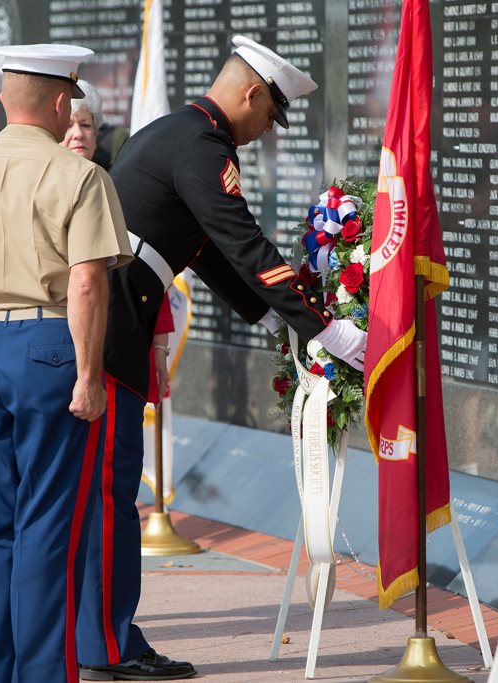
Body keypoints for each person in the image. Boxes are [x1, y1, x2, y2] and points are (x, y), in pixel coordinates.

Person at [79, 35, 366, 680]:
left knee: (107, 489)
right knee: (110, 491)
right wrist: (332, 333)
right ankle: (106, 642)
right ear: (250, 94)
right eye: (270, 115)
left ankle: (105, 634)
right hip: (118, 319)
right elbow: (241, 244)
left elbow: (205, 250)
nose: (267, 131)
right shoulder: (202, 144)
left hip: (123, 312)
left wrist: (274, 319)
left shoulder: (180, 134)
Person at [0, 44, 137, 683]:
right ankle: (42, 674)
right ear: (63, 102)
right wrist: (90, 377)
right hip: (52, 349)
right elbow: (88, 283)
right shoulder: (81, 177)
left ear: (7, 98)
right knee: (51, 525)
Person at [59, 81, 192, 681]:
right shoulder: (80, 189)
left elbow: (143, 272)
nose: (79, 136)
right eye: (69, 125)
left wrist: (159, 340)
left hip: (88, 355)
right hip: (97, 362)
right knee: (107, 503)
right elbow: (101, 282)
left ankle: (77, 636)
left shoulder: (108, 185)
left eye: (88, 126)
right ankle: (108, 645)